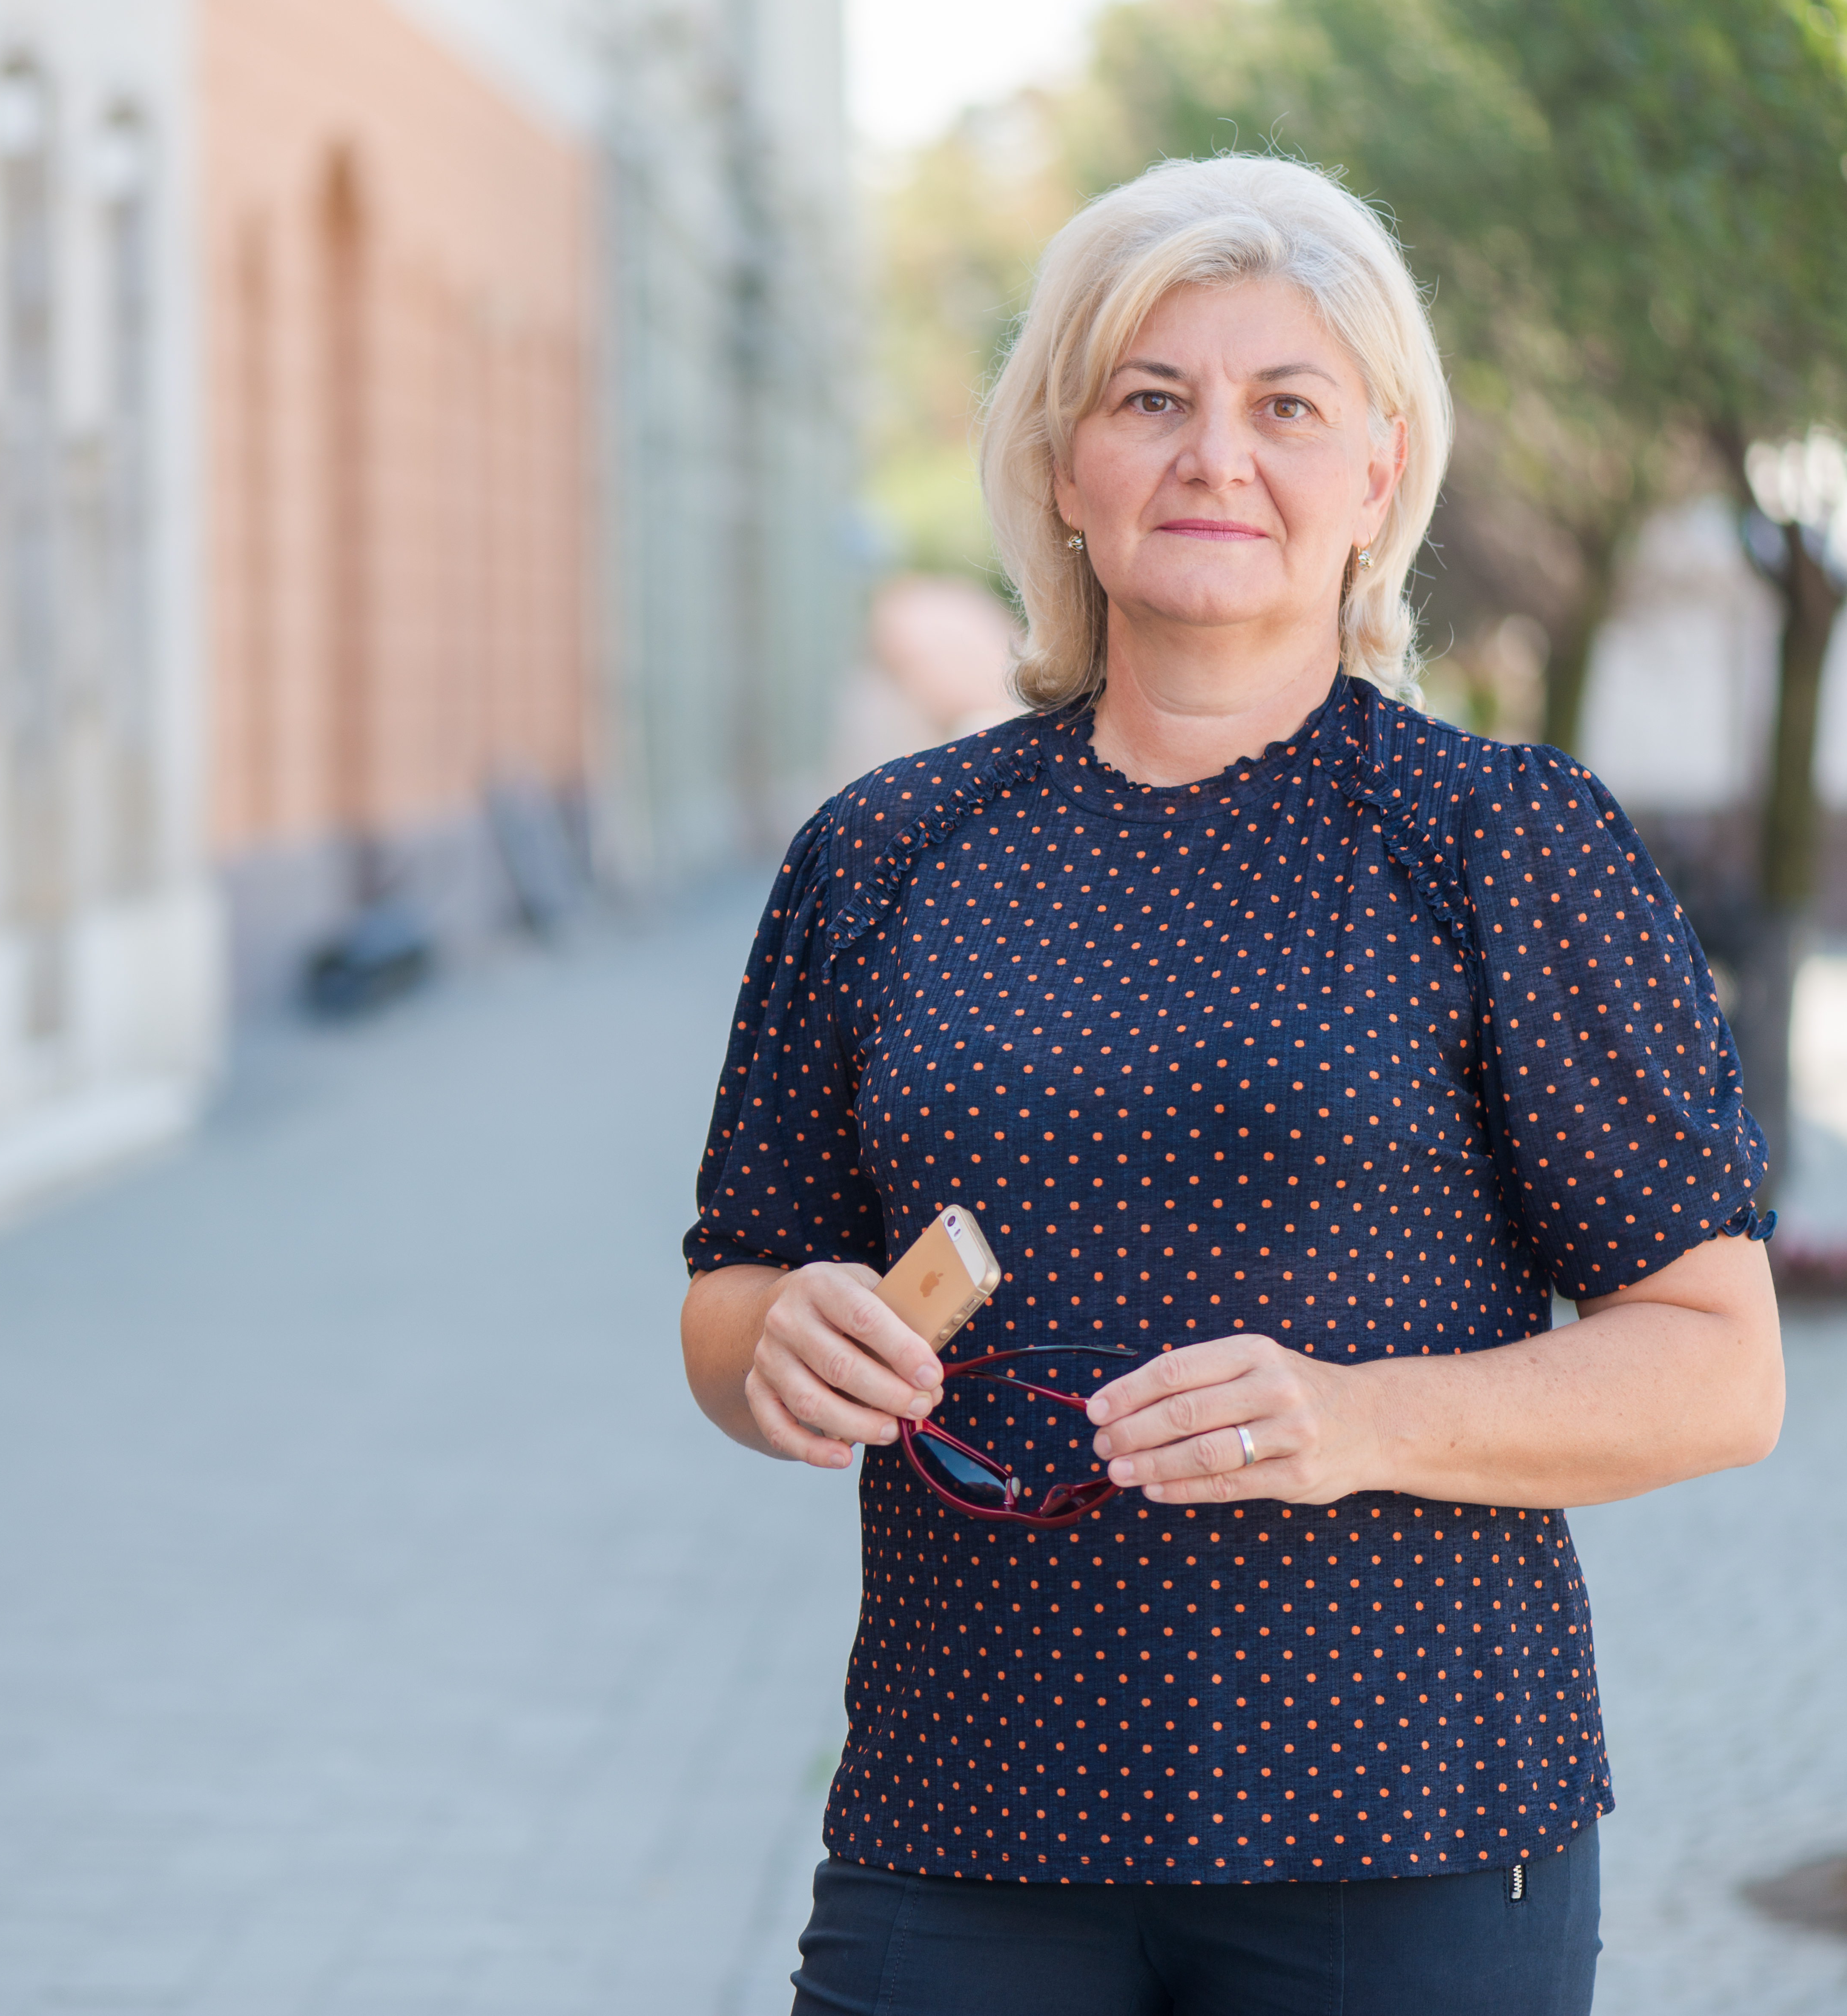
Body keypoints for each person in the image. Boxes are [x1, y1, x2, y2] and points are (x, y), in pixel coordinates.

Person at [678, 155, 1783, 2016]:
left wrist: (1354, 1420)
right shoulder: (882, 853)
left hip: (1406, 1826)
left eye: (1285, 405)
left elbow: (1717, 1357)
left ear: (1377, 474)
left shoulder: (1504, 845)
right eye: (1149, 400)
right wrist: (777, 1336)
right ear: (1060, 466)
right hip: (963, 1819)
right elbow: (731, 1295)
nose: (1215, 457)